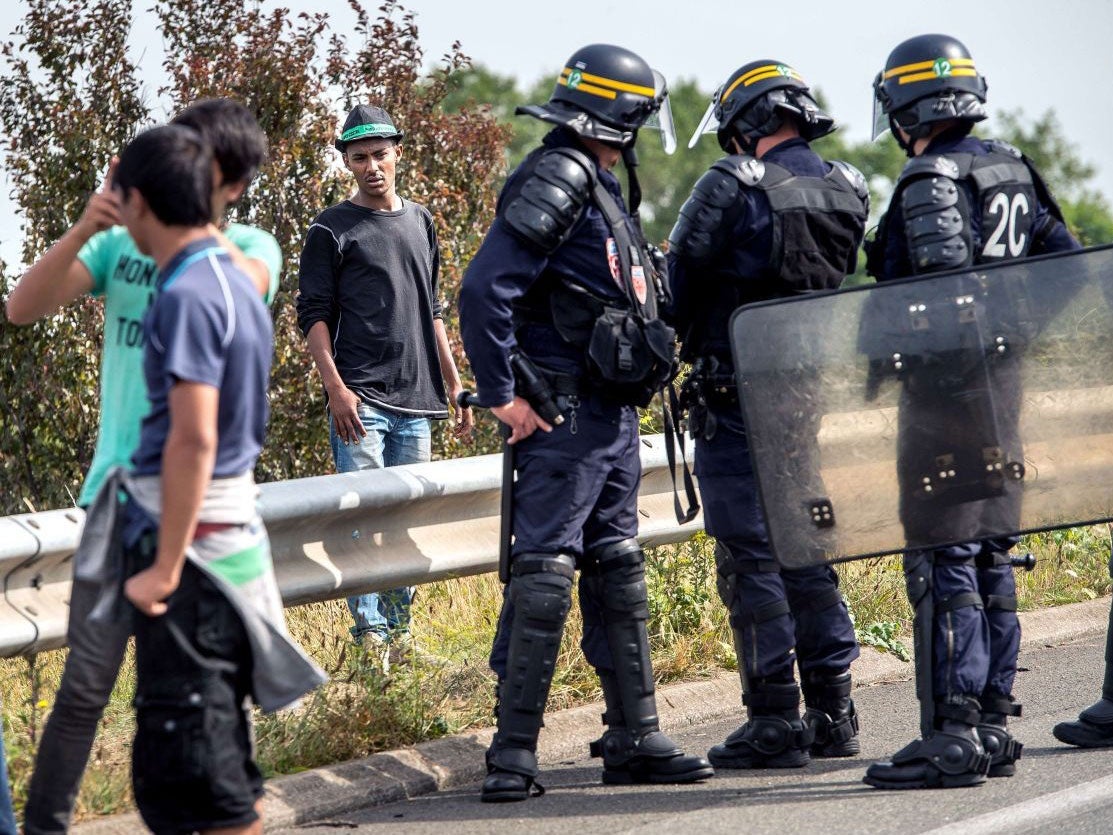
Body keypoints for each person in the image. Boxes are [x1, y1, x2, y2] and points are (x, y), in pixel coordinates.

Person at [6, 98, 283, 834]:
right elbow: (21, 308)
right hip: (117, 500)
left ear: (223, 177)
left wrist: (171, 220)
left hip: (187, 519)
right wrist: (93, 225)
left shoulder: (229, 259)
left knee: (199, 711)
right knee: (90, 690)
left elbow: (245, 287)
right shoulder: (127, 249)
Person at [459, 43, 712, 802]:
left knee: (619, 568)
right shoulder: (562, 173)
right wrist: (503, 393)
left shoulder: (598, 185)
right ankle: (512, 755)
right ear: (624, 115)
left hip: (606, 417)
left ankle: (635, 736)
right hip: (562, 419)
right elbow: (482, 292)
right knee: (545, 572)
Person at [862, 33, 1080, 790]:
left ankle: (950, 732)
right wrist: (1015, 342)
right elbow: (1068, 264)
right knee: (988, 547)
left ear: (905, 103)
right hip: (1001, 388)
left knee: (943, 551)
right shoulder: (1011, 166)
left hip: (947, 396)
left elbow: (944, 290)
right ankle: (990, 718)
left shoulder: (931, 176)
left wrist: (948, 361)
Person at [109, 122, 323, 834]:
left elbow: (194, 438)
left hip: (195, 559)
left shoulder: (190, 292)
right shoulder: (230, 277)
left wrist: (163, 568)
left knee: (194, 776)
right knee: (211, 761)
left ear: (137, 201)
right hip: (222, 548)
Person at [667, 60, 867, 769]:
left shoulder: (733, 185)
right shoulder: (848, 184)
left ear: (746, 122)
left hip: (735, 395)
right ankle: (835, 709)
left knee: (750, 557)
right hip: (806, 396)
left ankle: (775, 717)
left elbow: (675, 290)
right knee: (805, 548)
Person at [296, 104, 473, 655]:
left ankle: (400, 638)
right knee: (362, 523)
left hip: (417, 399)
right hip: (361, 400)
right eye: (359, 158)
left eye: (380, 154)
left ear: (397, 152)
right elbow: (313, 315)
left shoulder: (421, 221)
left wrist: (454, 381)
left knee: (402, 528)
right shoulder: (331, 228)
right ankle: (371, 639)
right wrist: (336, 389)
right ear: (346, 163)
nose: (372, 166)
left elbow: (433, 308)